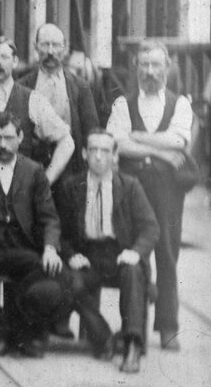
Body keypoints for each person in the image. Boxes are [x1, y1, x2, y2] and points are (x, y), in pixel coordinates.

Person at [108, 39, 194, 351]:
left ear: (167, 68)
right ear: (136, 68)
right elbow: (118, 143)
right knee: (134, 250)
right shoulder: (122, 104)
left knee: (168, 254)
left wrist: (138, 136)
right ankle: (134, 326)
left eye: (156, 65)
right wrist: (157, 146)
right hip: (132, 187)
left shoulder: (180, 103)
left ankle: (168, 326)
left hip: (168, 190)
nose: (150, 71)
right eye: (144, 65)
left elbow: (179, 141)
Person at [57, 130, 160, 373]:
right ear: (84, 154)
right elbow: (59, 231)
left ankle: (132, 344)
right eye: (93, 150)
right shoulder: (72, 187)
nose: (99, 157)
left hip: (119, 253)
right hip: (88, 256)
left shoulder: (130, 186)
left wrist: (136, 251)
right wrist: (71, 254)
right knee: (70, 281)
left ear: (115, 156)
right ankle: (103, 337)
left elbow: (150, 228)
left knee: (133, 272)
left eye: (105, 151)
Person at [0, 110, 67, 358]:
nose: (2, 144)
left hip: (23, 247)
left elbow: (49, 217)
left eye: (9, 138)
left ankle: (26, 334)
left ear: (21, 137)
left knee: (47, 279)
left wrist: (50, 248)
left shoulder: (34, 171)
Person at [0, 36, 74, 185]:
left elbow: (66, 141)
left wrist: (45, 181)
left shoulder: (33, 100)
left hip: (20, 196)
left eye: (4, 57)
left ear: (15, 62)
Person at [18, 23, 100, 187]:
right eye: (45, 44)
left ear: (64, 49)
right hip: (33, 168)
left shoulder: (80, 86)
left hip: (71, 173)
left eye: (55, 45)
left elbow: (91, 132)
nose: (50, 51)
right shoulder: (22, 86)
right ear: (35, 47)